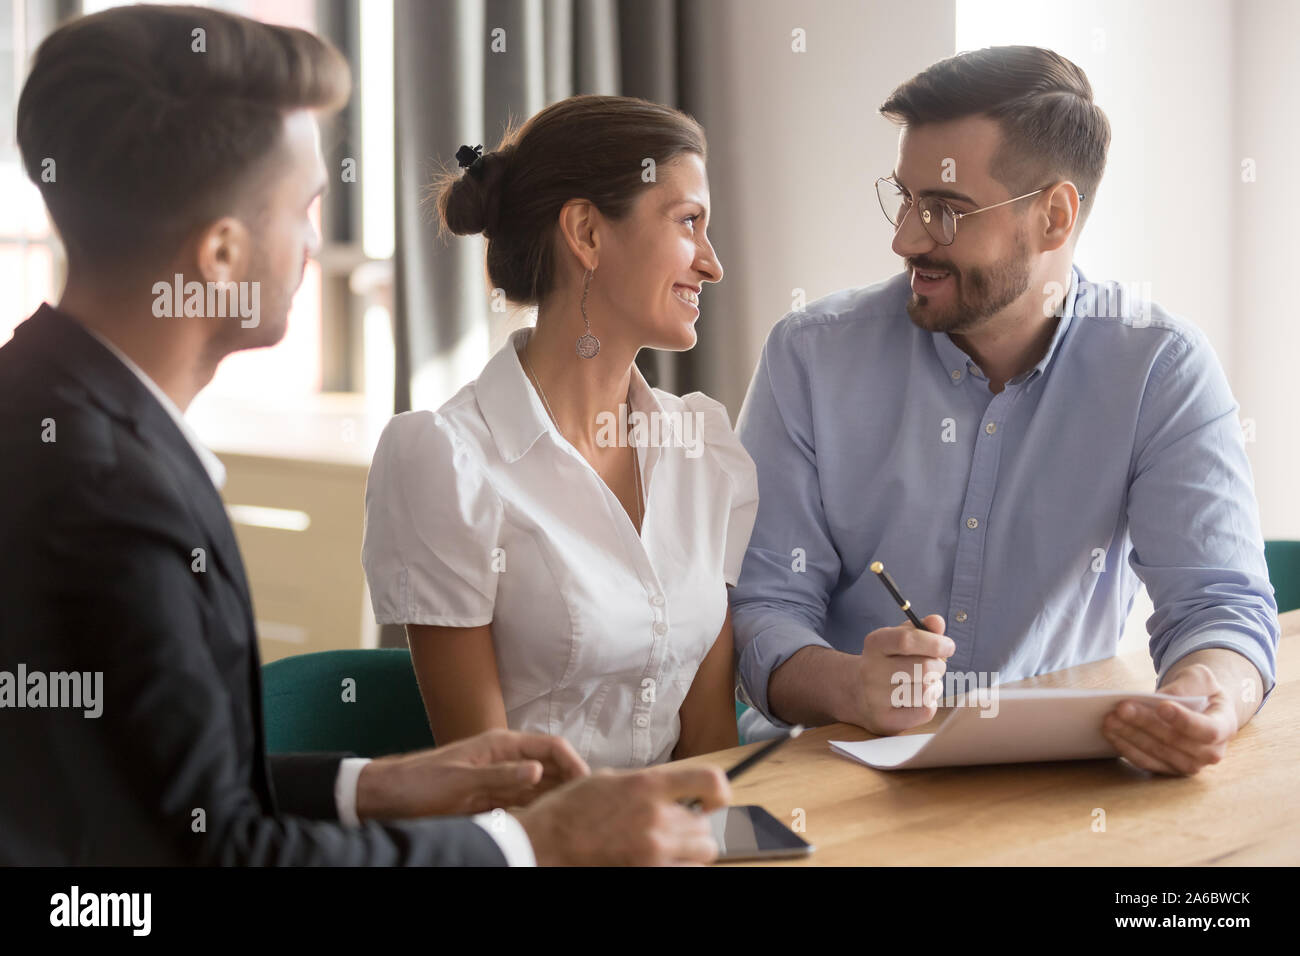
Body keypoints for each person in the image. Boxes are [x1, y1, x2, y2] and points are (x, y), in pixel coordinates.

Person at [0, 3, 728, 866]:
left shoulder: (65, 420)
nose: (315, 243)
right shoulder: (105, 493)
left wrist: (367, 785)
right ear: (223, 254)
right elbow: (214, 855)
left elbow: (167, 792)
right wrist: (530, 846)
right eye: (304, 208)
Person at [730, 45, 1279, 776]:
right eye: (904, 198)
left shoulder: (1159, 369)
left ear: (1054, 217)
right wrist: (852, 686)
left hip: (1055, 788)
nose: (905, 239)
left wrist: (1202, 698)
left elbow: (1221, 605)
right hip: (841, 780)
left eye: (946, 212)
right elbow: (763, 609)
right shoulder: (810, 357)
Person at [361, 95, 758, 769]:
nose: (712, 264)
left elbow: (710, 745)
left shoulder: (702, 447)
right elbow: (491, 778)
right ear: (588, 234)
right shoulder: (446, 460)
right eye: (689, 222)